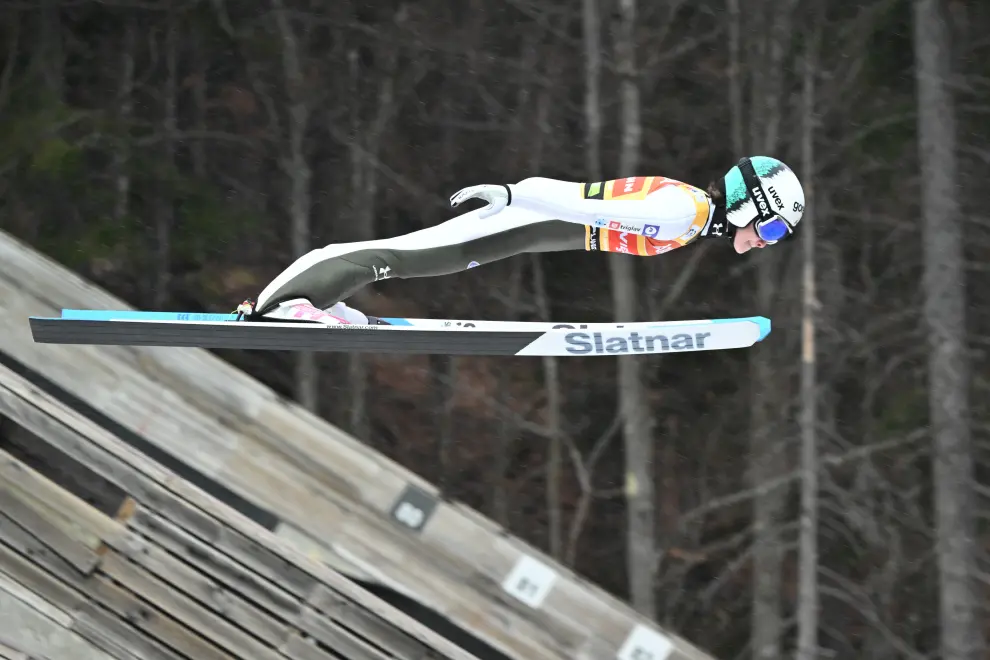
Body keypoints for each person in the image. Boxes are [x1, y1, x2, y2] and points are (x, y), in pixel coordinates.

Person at [242, 155, 805, 325]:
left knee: (405, 259)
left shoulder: (693, 215)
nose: (767, 242)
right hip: (520, 223)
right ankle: (283, 304)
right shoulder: (683, 212)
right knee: (401, 256)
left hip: (525, 231)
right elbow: (582, 204)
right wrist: (514, 197)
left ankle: (305, 300)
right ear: (746, 204)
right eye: (773, 228)